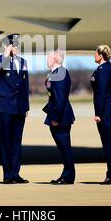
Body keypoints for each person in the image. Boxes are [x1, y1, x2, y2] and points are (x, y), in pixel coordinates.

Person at [0, 34, 30, 184]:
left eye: (18, 45)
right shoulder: (0, 60)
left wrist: (26, 106)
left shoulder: (23, 62)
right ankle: (7, 174)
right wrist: (5, 54)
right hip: (5, 106)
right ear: (8, 46)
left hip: (19, 106)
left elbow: (25, 85)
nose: (17, 48)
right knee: (5, 140)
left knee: (16, 141)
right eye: (14, 45)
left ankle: (15, 173)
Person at [90, 45, 111, 184]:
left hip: (105, 111)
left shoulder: (102, 70)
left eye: (95, 54)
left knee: (109, 144)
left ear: (101, 56)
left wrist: (98, 113)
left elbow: (101, 92)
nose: (94, 56)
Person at [43, 50, 75, 185]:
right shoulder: (55, 73)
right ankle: (67, 174)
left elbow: (60, 98)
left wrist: (55, 117)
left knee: (64, 147)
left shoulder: (60, 72)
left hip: (60, 117)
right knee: (62, 147)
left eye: (48, 57)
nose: (47, 60)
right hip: (56, 114)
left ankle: (68, 176)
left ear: (56, 58)